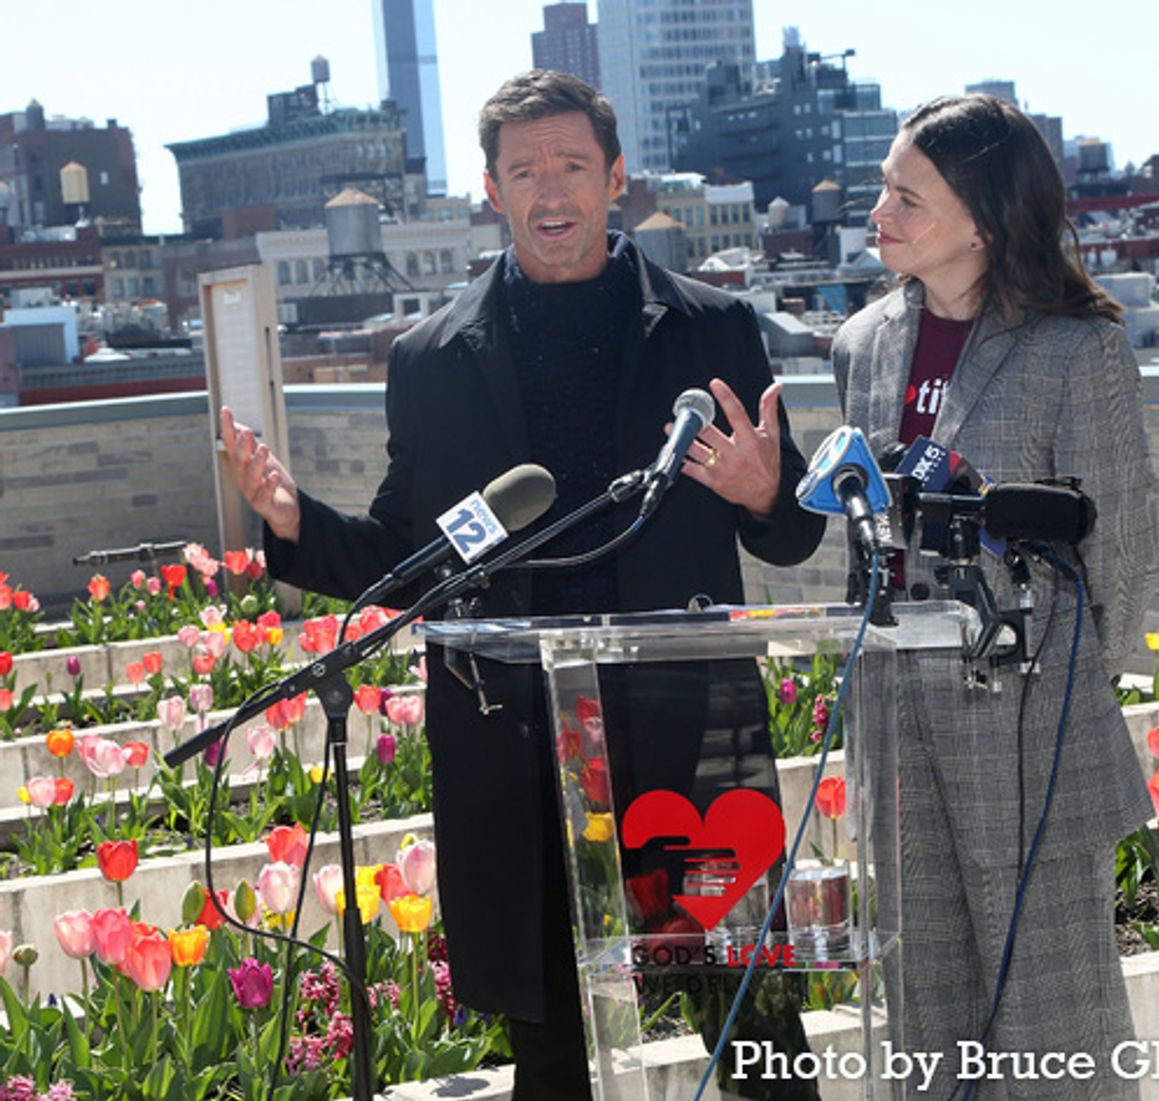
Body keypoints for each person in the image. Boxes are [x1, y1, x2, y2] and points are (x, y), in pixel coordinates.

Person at [221, 70, 825, 1099]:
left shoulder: (710, 325)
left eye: (573, 167)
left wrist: (770, 493)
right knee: (551, 1050)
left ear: (616, 178)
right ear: (491, 191)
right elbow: (410, 557)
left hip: (688, 727)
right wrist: (292, 524)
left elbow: (790, 533)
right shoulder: (430, 357)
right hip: (519, 745)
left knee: (755, 1029)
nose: (551, 193)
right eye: (524, 171)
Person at [831, 94, 1159, 1100]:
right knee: (924, 1021)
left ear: (980, 219)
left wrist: (1051, 682)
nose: (876, 214)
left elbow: (1121, 548)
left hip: (1029, 732)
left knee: (1051, 1029)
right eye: (880, 189)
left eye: (904, 196)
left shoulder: (1076, 347)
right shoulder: (861, 344)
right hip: (897, 722)